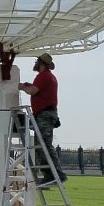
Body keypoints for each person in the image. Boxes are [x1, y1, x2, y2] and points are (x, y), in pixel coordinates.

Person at [20, 53, 68, 184]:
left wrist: (23, 87)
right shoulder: (49, 77)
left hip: (44, 115)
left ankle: (55, 174)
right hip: (48, 113)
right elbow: (39, 90)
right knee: (42, 145)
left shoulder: (43, 76)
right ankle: (51, 174)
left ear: (40, 63)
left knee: (43, 145)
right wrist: (29, 85)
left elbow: (33, 91)